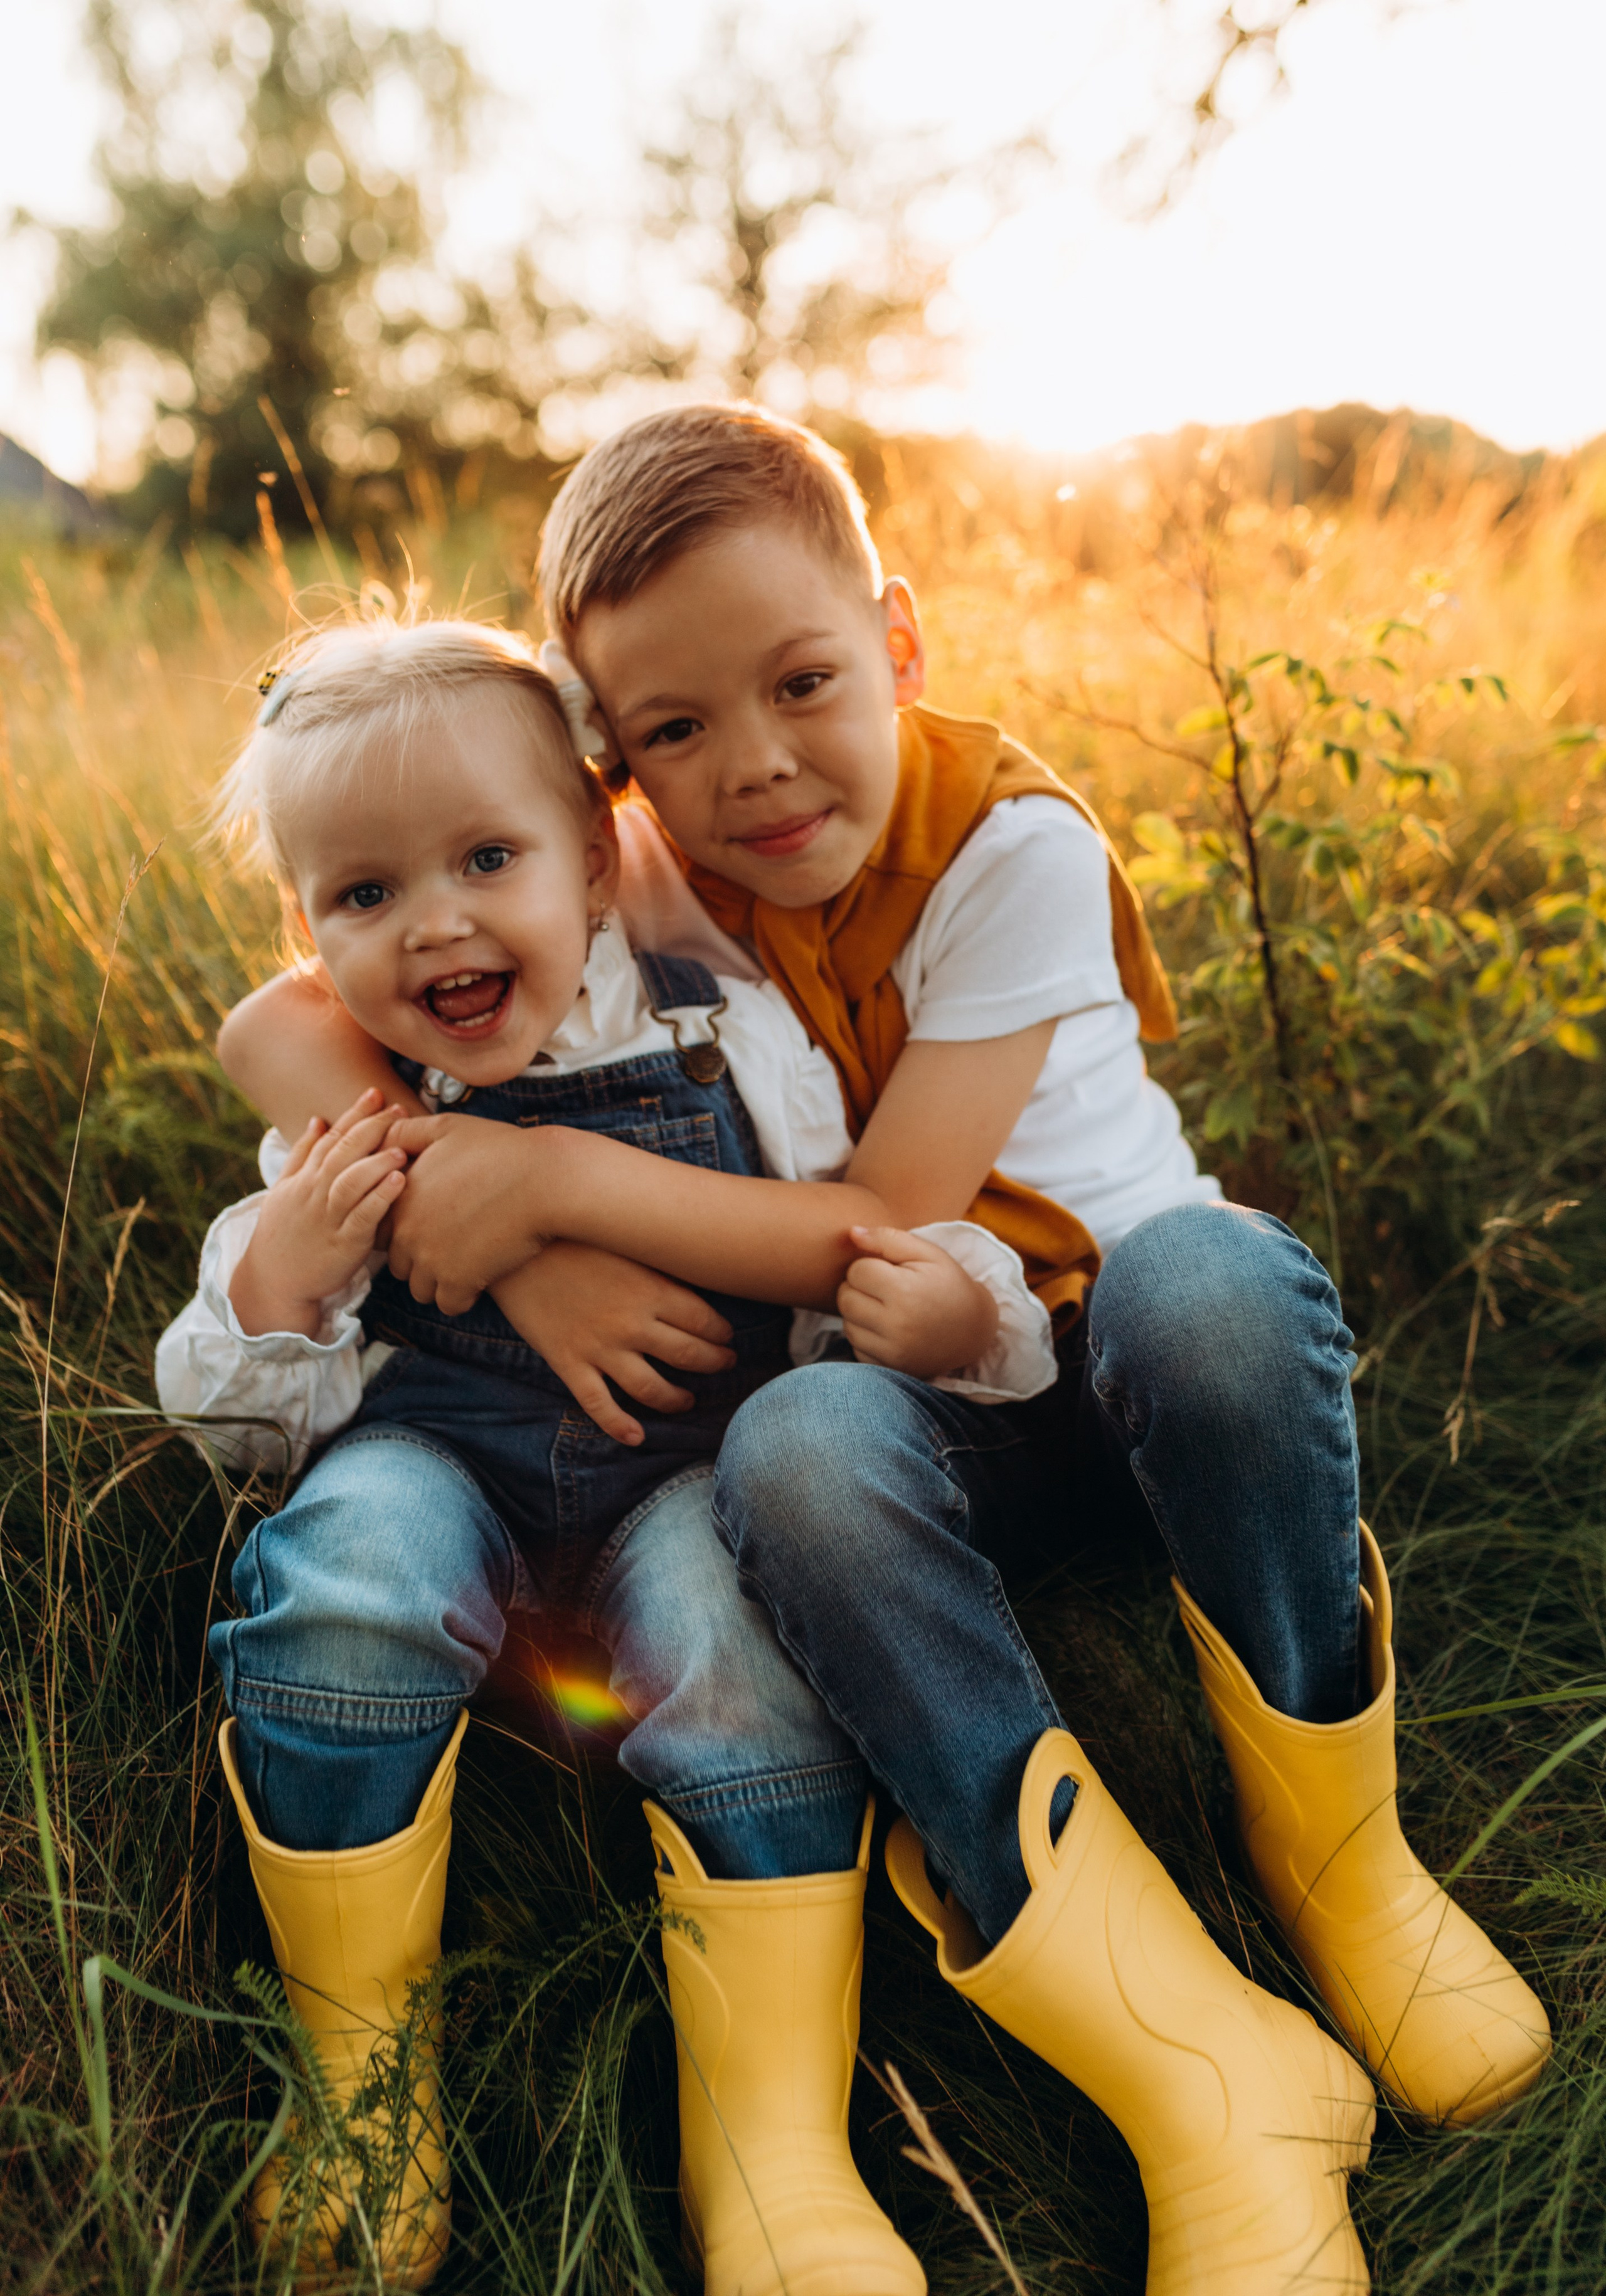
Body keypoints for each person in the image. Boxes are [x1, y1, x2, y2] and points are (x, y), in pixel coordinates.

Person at [220, 405, 1551, 2296]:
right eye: (672, 732)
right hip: (902, 1396)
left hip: (1104, 1365)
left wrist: (534, 1180)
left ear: (898, 644)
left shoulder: (1006, 847)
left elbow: (891, 1214)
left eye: (803, 685)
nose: (752, 768)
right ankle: (1208, 2070)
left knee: (1206, 1278)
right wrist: (488, 1229)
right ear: (615, 783)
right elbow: (289, 1006)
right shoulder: (655, 862)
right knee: (800, 1447)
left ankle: (1346, 1875)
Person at [168, 614, 1053, 2290]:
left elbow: (843, 1231)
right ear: (307, 931)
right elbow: (234, 1418)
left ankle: (772, 2139)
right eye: (362, 897)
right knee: (345, 1576)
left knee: (743, 1649)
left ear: (597, 855)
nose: (434, 923)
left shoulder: (722, 1024)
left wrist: (932, 1313)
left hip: (680, 1486)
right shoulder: (352, 1113)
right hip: (433, 1472)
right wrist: (289, 1267)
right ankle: (355, 2078)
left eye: (487, 858)